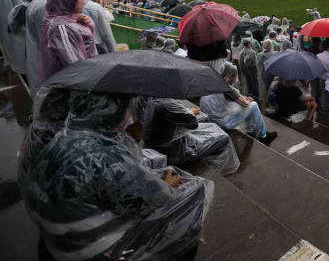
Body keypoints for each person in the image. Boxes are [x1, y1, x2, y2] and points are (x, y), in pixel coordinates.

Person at [23, 91, 212, 260]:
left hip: (57, 241)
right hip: (91, 250)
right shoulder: (106, 156)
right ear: (112, 112)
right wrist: (167, 184)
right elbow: (156, 199)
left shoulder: (61, 138)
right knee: (195, 190)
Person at [142, 98, 240, 175]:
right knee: (224, 137)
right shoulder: (169, 105)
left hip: (158, 144)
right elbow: (193, 124)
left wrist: (187, 112)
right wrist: (190, 112)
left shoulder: (152, 101)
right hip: (177, 153)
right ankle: (219, 166)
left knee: (206, 119)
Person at [199, 62, 277, 144]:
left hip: (210, 120)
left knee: (243, 106)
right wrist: (248, 100)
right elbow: (245, 103)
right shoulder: (227, 88)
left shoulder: (212, 82)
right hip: (222, 123)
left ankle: (251, 130)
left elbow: (229, 98)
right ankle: (263, 136)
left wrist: (242, 98)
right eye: (235, 75)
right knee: (253, 105)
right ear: (230, 76)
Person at [40, 0, 98, 81]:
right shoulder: (61, 27)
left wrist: (88, 26)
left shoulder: (67, 20)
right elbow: (75, 65)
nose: (84, 1)